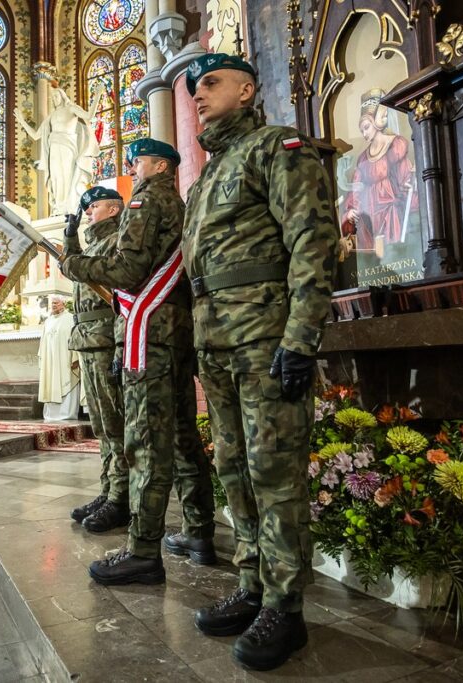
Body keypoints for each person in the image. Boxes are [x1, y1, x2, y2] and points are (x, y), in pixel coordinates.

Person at [182, 54, 337, 671]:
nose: (198, 95)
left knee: (274, 473)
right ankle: (253, 585)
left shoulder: (277, 146)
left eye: (211, 84)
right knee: (234, 468)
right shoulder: (207, 175)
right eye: (194, 89)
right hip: (217, 343)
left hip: (264, 339)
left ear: (247, 90)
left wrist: (300, 338)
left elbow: (312, 238)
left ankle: (286, 608)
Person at [60, 137, 217, 586]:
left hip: (150, 333)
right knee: (185, 436)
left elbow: (128, 270)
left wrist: (73, 265)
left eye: (139, 160)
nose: (133, 167)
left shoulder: (147, 200)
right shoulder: (179, 204)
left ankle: (143, 550)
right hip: (177, 331)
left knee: (145, 442)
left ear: (162, 165)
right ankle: (198, 531)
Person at [63, 186, 129, 532]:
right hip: (89, 341)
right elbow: (73, 268)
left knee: (115, 423)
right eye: (86, 207)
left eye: (95, 206)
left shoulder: (118, 241)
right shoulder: (93, 245)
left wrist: (120, 346)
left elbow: (120, 299)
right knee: (101, 425)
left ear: (115, 210)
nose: (89, 212)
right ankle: (108, 489)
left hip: (105, 340)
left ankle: (121, 497)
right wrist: (71, 237)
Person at [339, 89, 417, 250]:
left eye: (366, 127)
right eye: (361, 130)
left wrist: (411, 185)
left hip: (391, 212)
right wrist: (350, 211)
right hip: (369, 217)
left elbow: (405, 178)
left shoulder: (396, 145)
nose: (364, 133)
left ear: (377, 121)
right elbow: (356, 189)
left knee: (395, 252)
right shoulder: (362, 158)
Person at [14, 86, 101, 214]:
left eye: (56, 95)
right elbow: (35, 135)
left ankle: (71, 207)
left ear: (63, 96)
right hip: (54, 147)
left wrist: (98, 95)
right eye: (52, 97)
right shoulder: (51, 116)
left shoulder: (71, 108)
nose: (54, 99)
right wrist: (22, 121)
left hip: (68, 146)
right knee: (56, 177)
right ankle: (60, 208)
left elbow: (89, 115)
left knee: (67, 175)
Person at [37, 296, 80, 421]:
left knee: (65, 380)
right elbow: (42, 342)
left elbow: (75, 338)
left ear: (63, 304)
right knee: (50, 382)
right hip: (50, 360)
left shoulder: (71, 318)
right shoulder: (48, 321)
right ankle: (52, 414)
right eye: (52, 303)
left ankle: (66, 413)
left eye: (56, 303)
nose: (53, 305)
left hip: (65, 360)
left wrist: (75, 357)